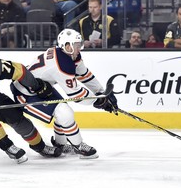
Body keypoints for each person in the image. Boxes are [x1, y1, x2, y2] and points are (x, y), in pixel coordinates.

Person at [10, 29, 119, 159]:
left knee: (63, 112)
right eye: (77, 45)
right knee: (64, 112)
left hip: (42, 88)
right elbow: (77, 95)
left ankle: (60, 145)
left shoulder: (70, 55)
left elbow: (84, 74)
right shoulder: (61, 64)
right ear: (67, 46)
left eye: (79, 45)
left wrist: (101, 92)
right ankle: (78, 146)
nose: (80, 48)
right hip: (25, 92)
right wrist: (99, 101)